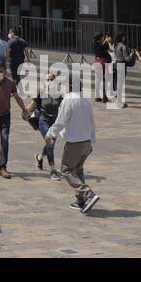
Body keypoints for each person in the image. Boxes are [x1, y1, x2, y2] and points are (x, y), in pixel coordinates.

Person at [43, 85, 99, 213]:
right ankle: (81, 201)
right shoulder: (85, 101)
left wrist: (50, 133)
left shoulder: (68, 100)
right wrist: (92, 140)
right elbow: (91, 122)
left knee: (66, 169)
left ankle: (87, 194)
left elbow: (61, 121)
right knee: (78, 171)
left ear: (69, 85)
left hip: (74, 143)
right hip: (86, 142)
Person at [32, 72, 64, 181]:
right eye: (47, 80)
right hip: (43, 120)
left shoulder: (60, 94)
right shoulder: (41, 92)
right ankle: (53, 170)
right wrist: (25, 111)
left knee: (50, 143)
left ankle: (39, 157)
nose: (49, 82)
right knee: (50, 142)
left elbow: (65, 108)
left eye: (51, 80)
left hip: (54, 122)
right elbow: (34, 104)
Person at [93, 32, 112, 103]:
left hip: (97, 62)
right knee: (104, 79)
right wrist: (107, 41)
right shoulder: (102, 45)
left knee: (98, 80)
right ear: (100, 38)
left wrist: (105, 41)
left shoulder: (94, 44)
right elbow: (109, 48)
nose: (103, 38)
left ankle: (97, 96)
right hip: (103, 62)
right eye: (102, 37)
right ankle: (104, 96)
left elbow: (102, 46)